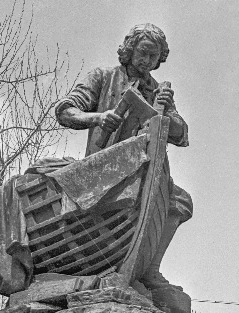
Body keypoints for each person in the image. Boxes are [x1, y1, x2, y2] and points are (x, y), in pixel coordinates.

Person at [55, 23, 193, 292]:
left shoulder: (159, 92)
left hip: (144, 171)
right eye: (143, 53)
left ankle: (149, 269)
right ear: (129, 50)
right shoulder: (103, 77)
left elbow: (181, 134)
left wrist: (164, 114)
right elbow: (65, 111)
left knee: (180, 201)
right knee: (139, 193)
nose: (148, 61)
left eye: (155, 56)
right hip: (102, 169)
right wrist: (98, 117)